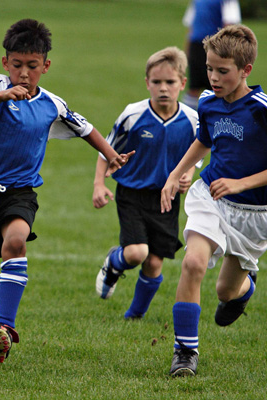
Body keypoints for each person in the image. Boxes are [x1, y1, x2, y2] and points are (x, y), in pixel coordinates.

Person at [0, 18, 134, 364]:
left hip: (20, 191)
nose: (24, 73)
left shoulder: (52, 103)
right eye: (17, 65)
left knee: (16, 241)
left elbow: (85, 128)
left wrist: (111, 155)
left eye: (32, 66)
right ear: (6, 62)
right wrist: (0, 97)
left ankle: (5, 328)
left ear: (45, 66)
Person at [161, 24, 267, 377]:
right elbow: (203, 141)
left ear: (245, 70)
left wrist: (241, 183)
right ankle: (185, 353)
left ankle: (244, 288)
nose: (213, 78)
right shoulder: (208, 103)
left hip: (255, 214)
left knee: (225, 292)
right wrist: (176, 173)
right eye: (209, 68)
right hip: (210, 196)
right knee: (192, 263)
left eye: (223, 71)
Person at [94, 47, 199, 320]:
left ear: (182, 84)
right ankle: (113, 264)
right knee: (137, 253)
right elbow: (106, 148)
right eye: (157, 82)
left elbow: (200, 149)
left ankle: (134, 317)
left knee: (154, 263)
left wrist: (190, 172)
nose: (163, 88)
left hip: (167, 198)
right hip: (132, 192)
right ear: (147, 83)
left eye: (170, 82)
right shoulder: (133, 115)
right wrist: (98, 184)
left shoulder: (191, 118)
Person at [182, 0, 241, 110]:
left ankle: (219, 118)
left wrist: (226, 50)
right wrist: (187, 51)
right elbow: (192, 25)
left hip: (215, 47)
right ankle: (189, 119)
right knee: (194, 86)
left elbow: (229, 25)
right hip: (197, 46)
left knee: (217, 85)